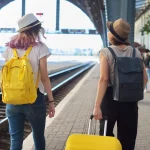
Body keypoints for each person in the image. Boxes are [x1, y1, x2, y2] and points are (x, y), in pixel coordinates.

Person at [2, 13, 55, 150]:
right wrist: (51, 101)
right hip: (34, 99)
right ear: (36, 29)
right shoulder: (40, 48)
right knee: (38, 137)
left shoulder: (9, 49)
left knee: (15, 139)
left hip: (12, 99)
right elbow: (44, 77)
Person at [93, 18, 148, 150]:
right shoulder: (136, 52)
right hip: (129, 100)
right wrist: (133, 94)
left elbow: (104, 79)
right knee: (128, 139)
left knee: (106, 138)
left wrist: (97, 106)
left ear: (112, 35)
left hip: (110, 99)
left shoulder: (106, 52)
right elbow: (144, 78)